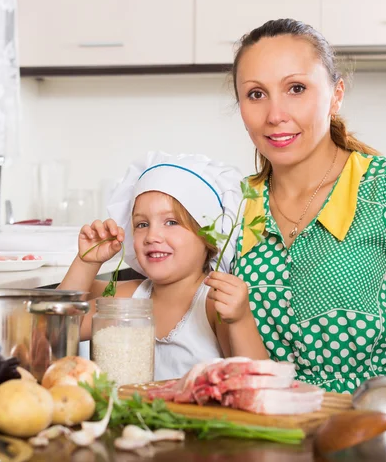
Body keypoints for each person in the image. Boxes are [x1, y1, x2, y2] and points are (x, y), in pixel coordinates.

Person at [227, 18, 386, 393]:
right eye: (256, 94)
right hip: (267, 432)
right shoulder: (233, 204)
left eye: (296, 88)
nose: (275, 115)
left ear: (336, 95)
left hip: (376, 421)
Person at [59, 152, 268, 381]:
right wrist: (87, 262)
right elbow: (59, 329)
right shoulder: (129, 297)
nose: (152, 236)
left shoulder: (212, 303)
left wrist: (241, 319)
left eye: (171, 222)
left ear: (208, 237)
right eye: (142, 224)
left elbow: (259, 381)